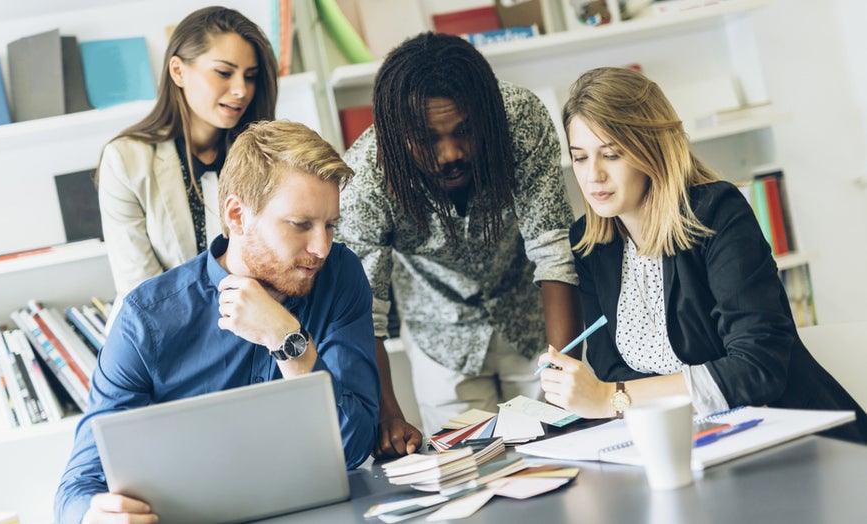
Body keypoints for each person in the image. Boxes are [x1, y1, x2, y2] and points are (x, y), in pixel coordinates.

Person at [55, 120, 380, 522]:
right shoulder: (147, 321)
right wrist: (93, 516)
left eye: (330, 225)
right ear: (237, 216)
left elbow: (356, 444)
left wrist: (287, 339)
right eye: (300, 225)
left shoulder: (340, 277)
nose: (321, 248)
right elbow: (79, 484)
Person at [537, 66, 867, 443]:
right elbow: (613, 368)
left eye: (611, 154)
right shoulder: (590, 242)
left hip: (800, 441)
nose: (592, 175)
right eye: (580, 157)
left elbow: (756, 368)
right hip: (688, 441)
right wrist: (611, 394)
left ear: (652, 150)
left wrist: (613, 398)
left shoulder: (718, 213)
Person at [336, 32, 582, 458]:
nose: (450, 153)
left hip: (535, 319)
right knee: (472, 470)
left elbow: (553, 249)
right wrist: (388, 413)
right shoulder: (364, 179)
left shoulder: (520, 120)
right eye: (428, 139)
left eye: (465, 131)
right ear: (397, 137)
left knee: (564, 451)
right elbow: (365, 307)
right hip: (440, 339)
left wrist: (568, 371)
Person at [97, 6, 278, 313]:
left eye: (250, 77)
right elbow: (140, 290)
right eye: (224, 72)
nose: (241, 90)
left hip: (254, 330)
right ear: (178, 71)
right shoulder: (125, 160)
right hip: (159, 338)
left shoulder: (270, 159)